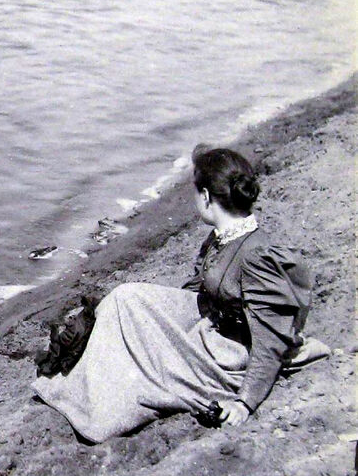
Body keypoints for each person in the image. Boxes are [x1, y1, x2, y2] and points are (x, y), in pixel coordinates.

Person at [31, 145, 329, 443]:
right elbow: (198, 289)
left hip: (233, 354)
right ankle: (90, 389)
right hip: (214, 325)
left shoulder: (257, 256)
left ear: (207, 197)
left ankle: (98, 408)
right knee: (126, 298)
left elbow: (269, 340)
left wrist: (245, 403)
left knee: (148, 360)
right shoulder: (225, 236)